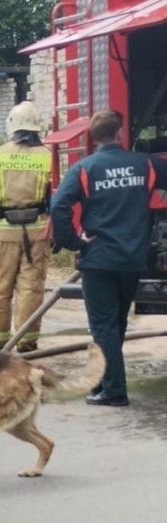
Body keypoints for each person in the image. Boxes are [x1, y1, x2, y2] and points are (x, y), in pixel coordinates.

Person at [50, 109, 167, 407]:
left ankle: (114, 391)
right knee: (115, 324)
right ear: (118, 133)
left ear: (93, 137)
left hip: (98, 259)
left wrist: (73, 242)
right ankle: (104, 381)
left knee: (103, 326)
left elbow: (58, 207)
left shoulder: (85, 169)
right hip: (132, 259)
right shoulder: (145, 164)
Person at [0, 101, 52, 353]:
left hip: (4, 232)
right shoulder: (48, 156)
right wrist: (58, 231)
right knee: (31, 287)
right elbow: (57, 196)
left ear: (12, 126)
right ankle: (26, 342)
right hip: (38, 231)